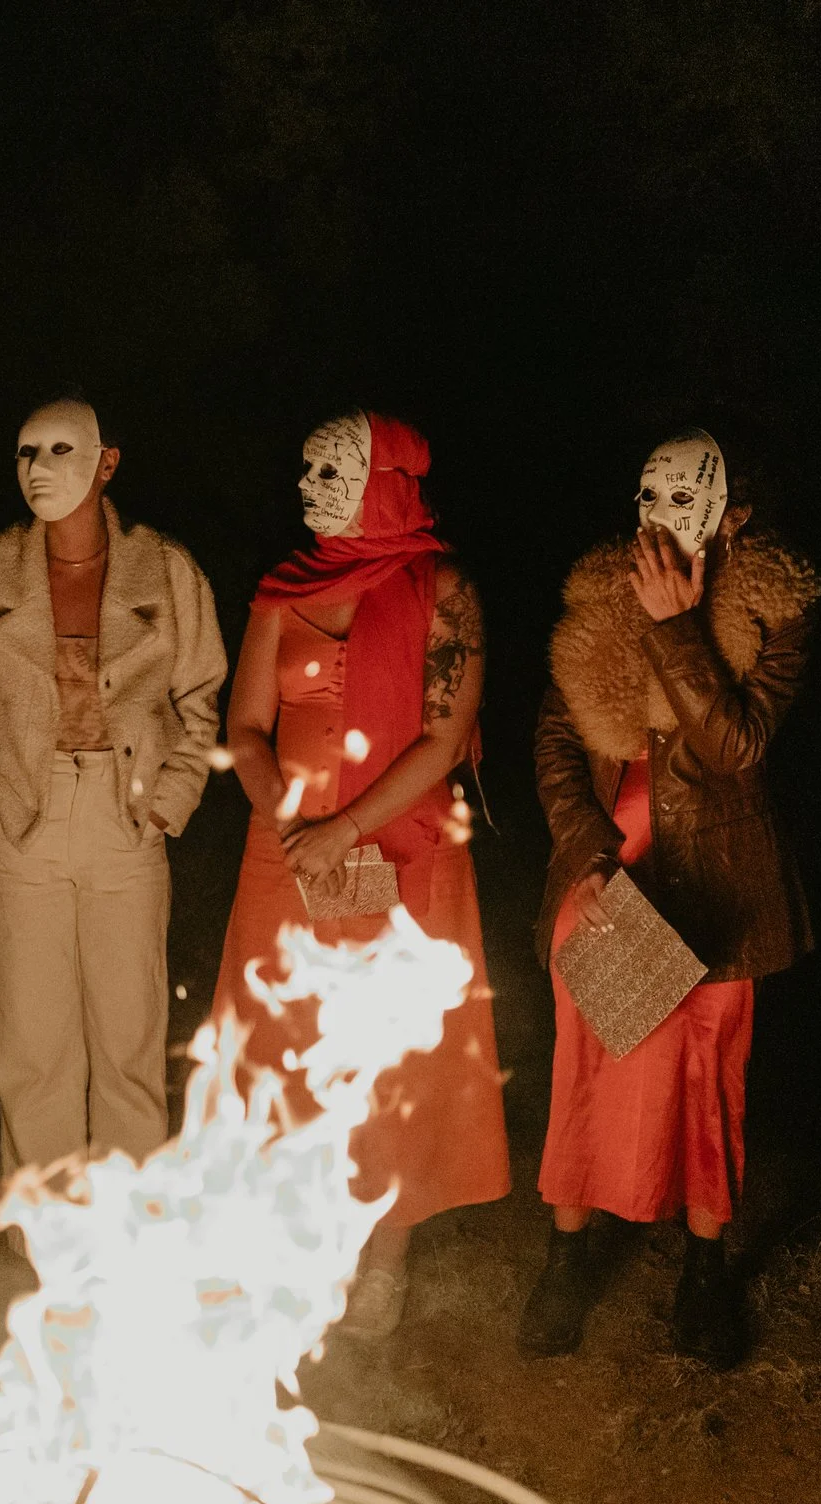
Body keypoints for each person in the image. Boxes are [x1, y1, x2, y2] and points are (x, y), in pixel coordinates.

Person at [518, 428, 819, 1369]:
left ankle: (705, 1268)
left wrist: (675, 627)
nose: (659, 518)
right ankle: (566, 1255)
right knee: (586, 1056)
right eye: (648, 496)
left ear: (733, 516)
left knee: (707, 1069)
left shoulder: (774, 607)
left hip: (719, 873)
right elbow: (556, 742)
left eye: (684, 499)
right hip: (612, 863)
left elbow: (736, 746)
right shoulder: (598, 597)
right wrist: (586, 851)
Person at [211, 410, 509, 1336]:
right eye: (305, 471)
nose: (307, 488)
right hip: (287, 851)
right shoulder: (283, 589)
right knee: (282, 1038)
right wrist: (290, 821)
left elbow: (445, 739)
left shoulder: (444, 587)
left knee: (392, 1051)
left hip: (401, 847)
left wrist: (343, 827)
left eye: (330, 472)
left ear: (383, 483)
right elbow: (245, 730)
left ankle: (386, 1257)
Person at [0, 395, 225, 1178]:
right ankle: (47, 1231)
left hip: (126, 815)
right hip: (23, 814)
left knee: (129, 1042)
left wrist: (168, 801)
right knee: (34, 1048)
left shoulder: (164, 568)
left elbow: (201, 696)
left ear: (106, 462)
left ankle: (129, 1227)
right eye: (26, 452)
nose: (38, 468)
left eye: (60, 449)